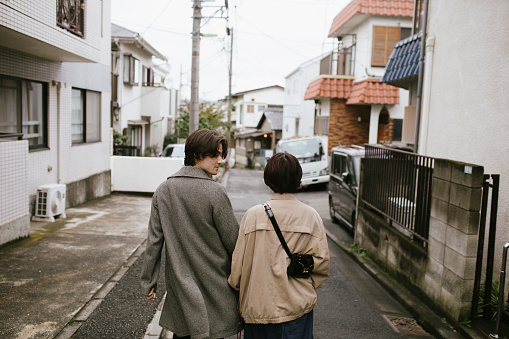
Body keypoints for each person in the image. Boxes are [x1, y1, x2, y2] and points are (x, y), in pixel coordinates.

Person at [141, 128, 240, 339]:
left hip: (181, 286)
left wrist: (149, 280)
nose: (220, 160)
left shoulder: (164, 190)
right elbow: (235, 243)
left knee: (183, 332)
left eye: (221, 155)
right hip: (215, 286)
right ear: (196, 155)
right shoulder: (215, 192)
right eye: (214, 155)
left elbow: (154, 242)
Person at [228, 152, 330, 339]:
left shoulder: (253, 215)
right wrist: (303, 288)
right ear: (298, 178)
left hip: (257, 310)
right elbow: (321, 264)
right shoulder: (311, 216)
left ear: (268, 178)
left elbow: (238, 268)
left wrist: (240, 288)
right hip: (296, 310)